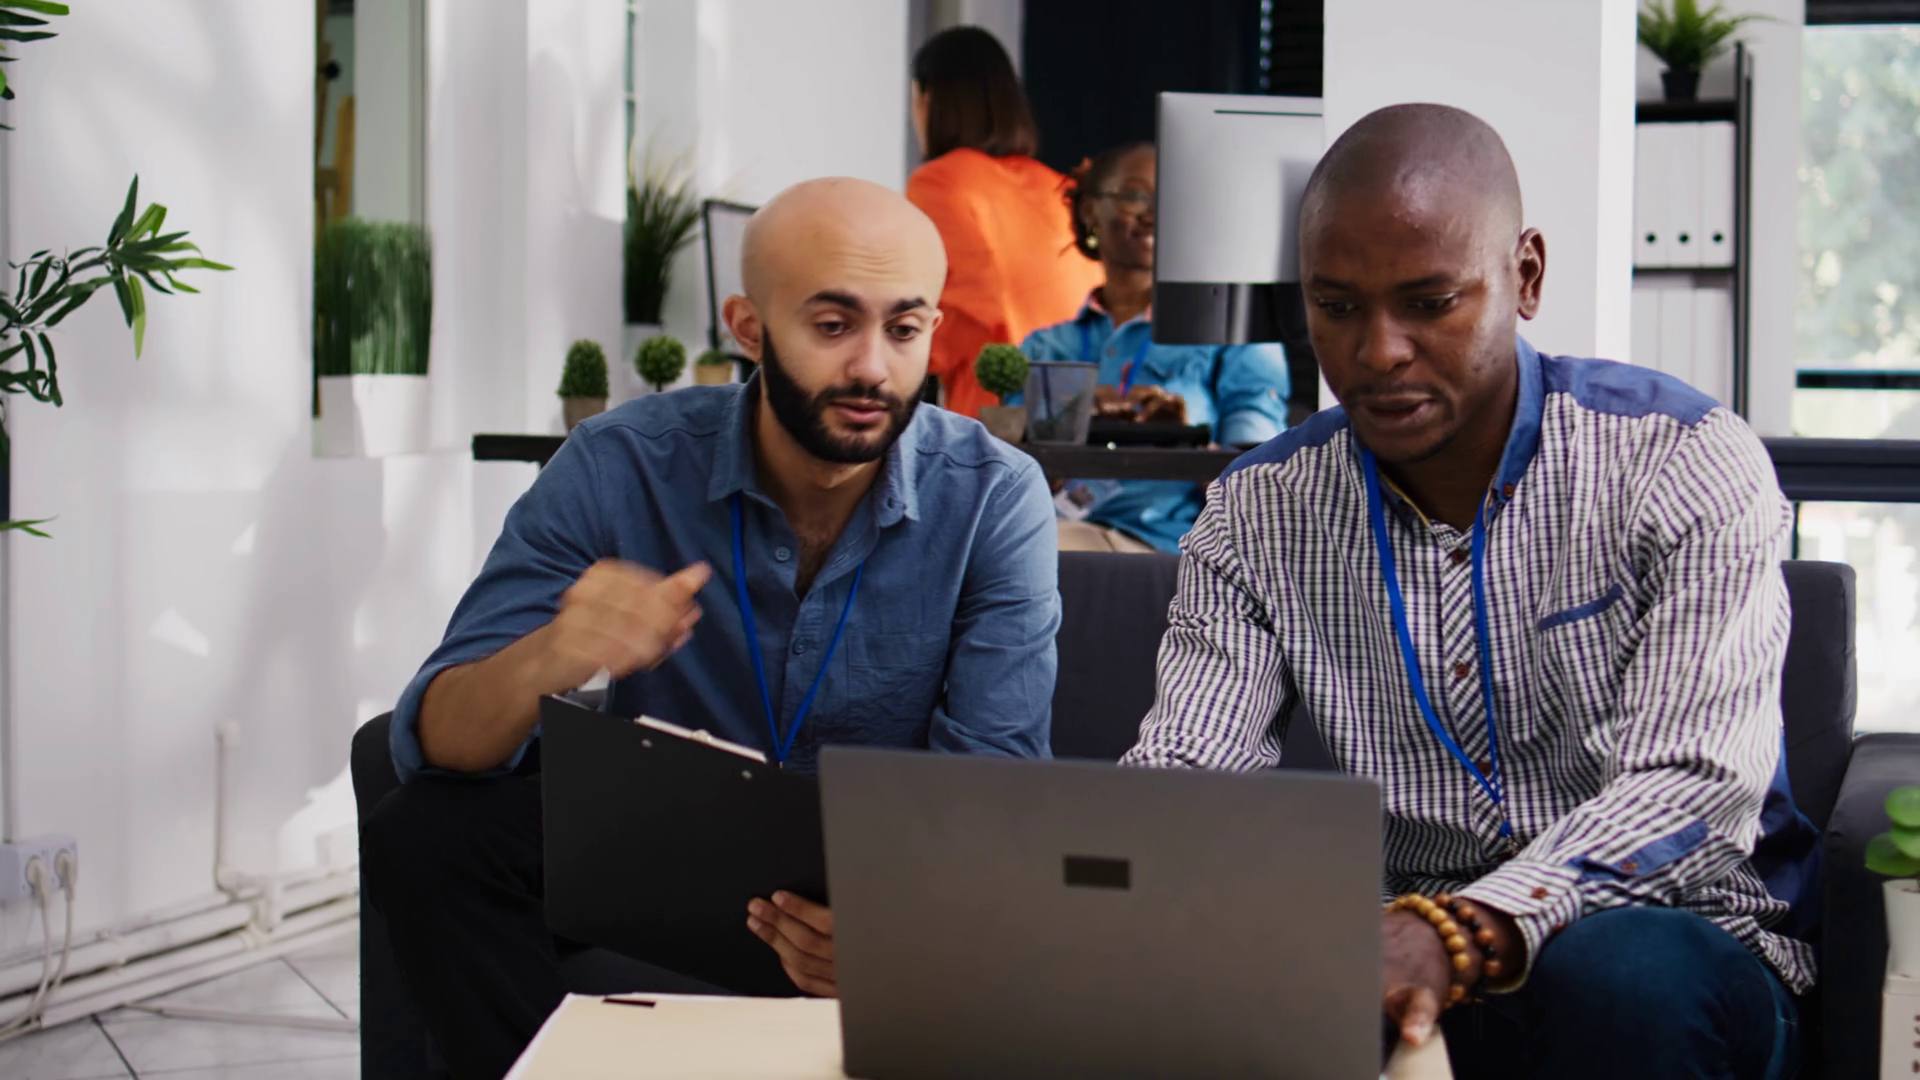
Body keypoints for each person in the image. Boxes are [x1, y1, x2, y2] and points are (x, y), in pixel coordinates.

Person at [1122, 104, 1818, 1080]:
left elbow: (1695, 788)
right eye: (1337, 307)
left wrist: (1467, 927)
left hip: (1674, 940)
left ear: (1524, 276)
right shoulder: (1258, 511)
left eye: (1430, 301)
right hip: (1390, 951)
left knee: (1621, 977)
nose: (1378, 352)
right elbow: (1190, 775)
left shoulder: (1681, 463)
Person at [360, 177, 1061, 1080]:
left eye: (904, 328)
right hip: (666, 848)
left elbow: (995, 777)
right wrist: (552, 654)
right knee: (425, 834)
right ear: (748, 328)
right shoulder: (620, 462)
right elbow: (433, 746)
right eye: (833, 324)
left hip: (883, 859)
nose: (872, 368)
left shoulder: (994, 494)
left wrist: (896, 923)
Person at [1021, 142, 1289, 554]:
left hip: (1176, 548)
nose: (1153, 214)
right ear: (1091, 211)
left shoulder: (1234, 337)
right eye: (1135, 195)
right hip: (1060, 531)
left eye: (1169, 202)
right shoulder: (1045, 347)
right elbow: (1017, 470)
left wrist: (1191, 445)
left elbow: (1258, 483)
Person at [905, 25, 1102, 419]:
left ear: (928, 100)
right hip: (1079, 406)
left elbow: (960, 319)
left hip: (996, 410)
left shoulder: (938, 181)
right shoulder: (1057, 185)